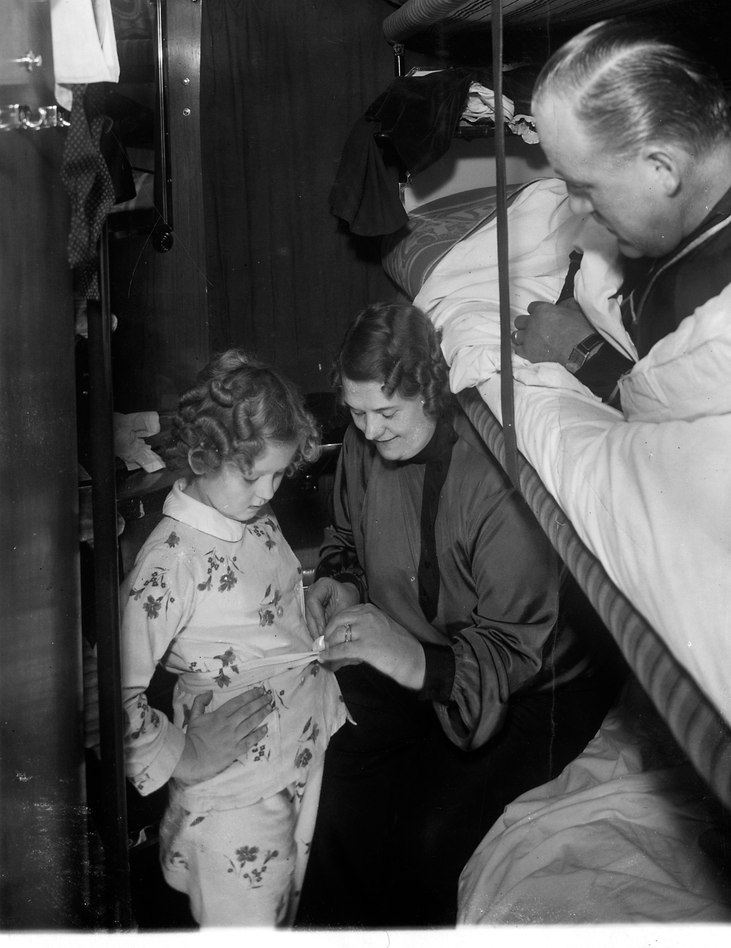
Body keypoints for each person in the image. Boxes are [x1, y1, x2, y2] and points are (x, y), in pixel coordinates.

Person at [294, 302, 623, 929]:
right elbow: (347, 537)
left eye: (386, 413)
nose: (370, 432)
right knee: (340, 776)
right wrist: (342, 581)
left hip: (533, 683)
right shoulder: (365, 443)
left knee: (427, 838)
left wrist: (413, 660)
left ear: (429, 391)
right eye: (357, 414)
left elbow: (514, 645)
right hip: (420, 651)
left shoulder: (496, 480)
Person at [120, 349, 347, 927]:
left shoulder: (249, 513)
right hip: (237, 790)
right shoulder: (171, 562)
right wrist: (186, 753)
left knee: (285, 910)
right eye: (254, 476)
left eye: (278, 474)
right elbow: (115, 695)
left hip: (299, 752)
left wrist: (302, 604)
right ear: (205, 454)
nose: (268, 491)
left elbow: (254, 607)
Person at [513, 18, 731, 400]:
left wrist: (580, 352)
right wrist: (573, 301)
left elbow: (680, 414)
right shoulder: (723, 130)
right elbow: (592, 244)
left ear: (663, 170)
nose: (574, 204)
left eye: (585, 187)